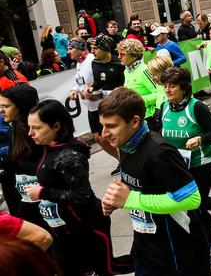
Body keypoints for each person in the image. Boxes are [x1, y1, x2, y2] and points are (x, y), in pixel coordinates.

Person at [99, 87, 211, 276]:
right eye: (102, 125)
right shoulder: (125, 144)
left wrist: (130, 200)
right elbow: (139, 185)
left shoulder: (160, 152)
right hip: (146, 248)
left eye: (111, 126)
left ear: (134, 121)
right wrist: (116, 198)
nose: (104, 133)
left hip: (179, 252)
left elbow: (192, 199)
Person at [25, 100, 133, 275]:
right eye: (30, 127)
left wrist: (42, 192)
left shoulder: (69, 157)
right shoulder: (49, 146)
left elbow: (81, 195)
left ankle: (156, 263)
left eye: (36, 128)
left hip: (88, 226)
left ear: (56, 126)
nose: (30, 133)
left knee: (108, 268)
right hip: (64, 229)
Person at [158, 67, 211, 263]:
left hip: (202, 161)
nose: (167, 90)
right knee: (187, 202)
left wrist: (200, 139)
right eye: (165, 86)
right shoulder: (164, 107)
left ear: (184, 87)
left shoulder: (197, 107)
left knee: (198, 205)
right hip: (178, 164)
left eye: (172, 86)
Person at [0, 85, 42, 226]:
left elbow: (41, 163)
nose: (1, 110)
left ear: (20, 106)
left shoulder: (35, 130)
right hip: (23, 195)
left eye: (6, 106)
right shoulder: (15, 127)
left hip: (40, 198)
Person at [84, 34, 125, 162]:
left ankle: (125, 161)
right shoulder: (94, 63)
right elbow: (98, 82)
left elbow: (127, 82)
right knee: (97, 137)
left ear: (105, 48)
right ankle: (120, 160)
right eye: (91, 48)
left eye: (95, 48)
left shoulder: (119, 63)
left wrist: (120, 91)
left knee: (116, 136)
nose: (92, 51)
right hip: (101, 103)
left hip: (118, 103)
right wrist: (91, 88)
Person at [146, 55, 173, 133]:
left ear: (164, 72)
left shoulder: (175, 89)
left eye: (155, 74)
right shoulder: (160, 85)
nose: (152, 78)